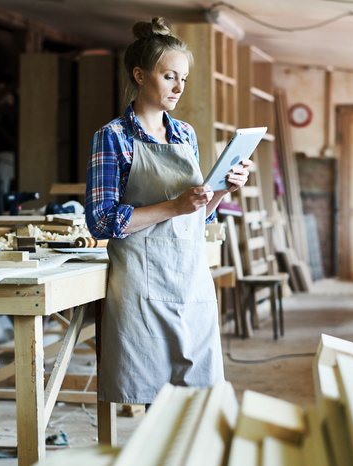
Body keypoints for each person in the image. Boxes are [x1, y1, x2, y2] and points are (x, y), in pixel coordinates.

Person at [85, 17, 250, 405]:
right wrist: (175, 205)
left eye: (184, 78)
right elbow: (102, 220)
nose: (179, 87)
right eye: (169, 76)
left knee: (201, 400)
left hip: (190, 281)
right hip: (141, 287)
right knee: (148, 399)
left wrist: (222, 191)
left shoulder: (185, 134)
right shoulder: (113, 137)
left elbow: (200, 217)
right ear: (140, 75)